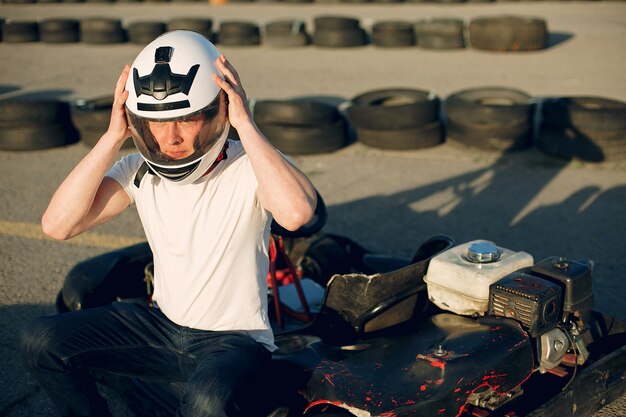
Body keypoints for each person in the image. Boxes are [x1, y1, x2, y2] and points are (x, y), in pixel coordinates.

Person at [20, 30, 317, 417]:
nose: (170, 138)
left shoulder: (250, 165)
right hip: (159, 328)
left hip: (233, 343)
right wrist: (112, 136)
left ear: (218, 111)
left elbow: (298, 214)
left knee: (206, 403)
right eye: (157, 123)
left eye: (187, 118)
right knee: (39, 340)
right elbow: (58, 225)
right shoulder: (139, 171)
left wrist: (244, 122)